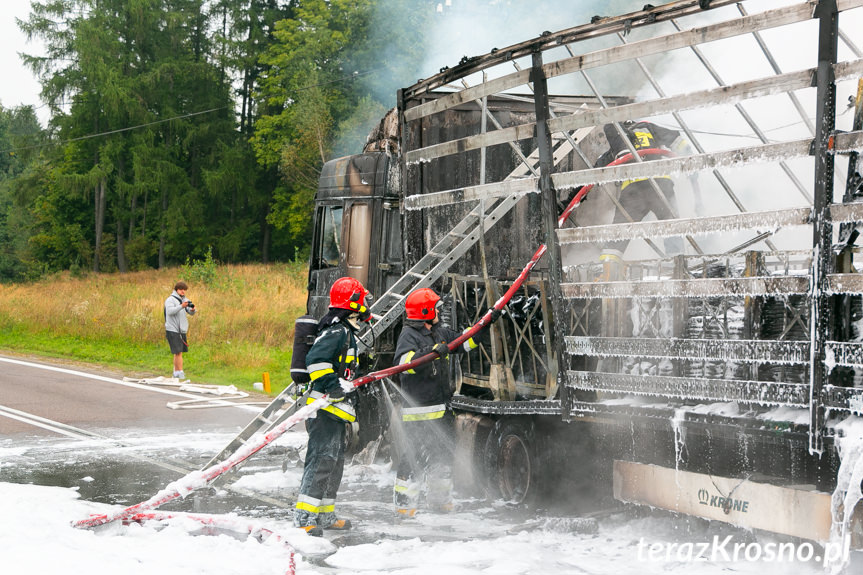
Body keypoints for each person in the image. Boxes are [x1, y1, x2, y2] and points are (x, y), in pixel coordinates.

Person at [294, 276, 371, 536]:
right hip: (323, 411)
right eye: (363, 300)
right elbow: (315, 360)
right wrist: (331, 386)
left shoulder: (347, 331)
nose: (366, 305)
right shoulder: (336, 330)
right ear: (354, 303)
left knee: (334, 463)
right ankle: (304, 517)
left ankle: (326, 516)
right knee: (320, 462)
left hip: (336, 413)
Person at [392, 287, 478, 518]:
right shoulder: (408, 335)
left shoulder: (440, 333)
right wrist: (429, 351)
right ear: (426, 312)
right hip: (418, 415)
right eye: (436, 308)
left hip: (441, 412)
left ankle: (440, 501)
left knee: (442, 458)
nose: (440, 311)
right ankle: (404, 504)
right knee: (414, 459)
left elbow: (464, 342)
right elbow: (403, 363)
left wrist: (484, 325)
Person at [594, 120, 700, 266]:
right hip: (661, 186)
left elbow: (592, 175)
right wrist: (691, 161)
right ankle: (677, 270)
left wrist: (570, 199)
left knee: (618, 235)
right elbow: (676, 140)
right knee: (671, 228)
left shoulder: (617, 146)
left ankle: (607, 271)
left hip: (634, 192)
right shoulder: (648, 128)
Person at [164, 281, 196, 379]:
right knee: (177, 352)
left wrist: (192, 310)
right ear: (176, 289)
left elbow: (190, 313)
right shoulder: (170, 300)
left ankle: (176, 372)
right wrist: (181, 306)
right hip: (173, 329)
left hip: (181, 329)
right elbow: (170, 311)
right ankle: (180, 372)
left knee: (179, 352)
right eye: (181, 289)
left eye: (184, 290)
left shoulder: (185, 299)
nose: (183, 291)